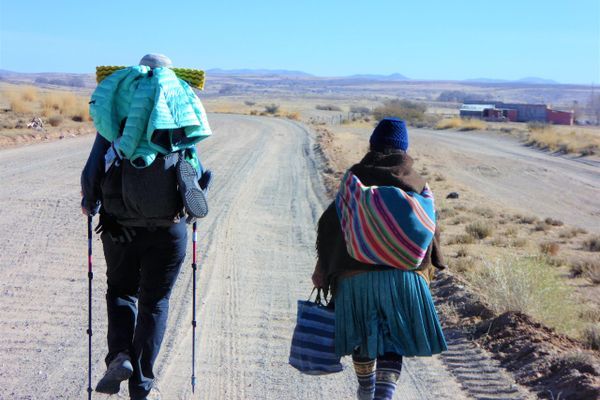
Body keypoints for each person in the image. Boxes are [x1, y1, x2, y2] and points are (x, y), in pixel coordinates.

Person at [81, 54, 212, 400]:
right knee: (155, 302)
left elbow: (93, 170)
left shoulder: (116, 119)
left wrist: (90, 202)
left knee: (122, 292)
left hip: (119, 227)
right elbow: (197, 177)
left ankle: (120, 355)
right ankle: (141, 384)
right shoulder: (179, 116)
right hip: (168, 230)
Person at [312, 117, 447, 400]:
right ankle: (384, 395)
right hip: (406, 280)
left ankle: (365, 390)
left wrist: (323, 268)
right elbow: (431, 232)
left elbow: (329, 226)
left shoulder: (354, 179)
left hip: (355, 278)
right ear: (404, 149)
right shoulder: (418, 184)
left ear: (372, 145)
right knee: (392, 340)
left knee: (364, 338)